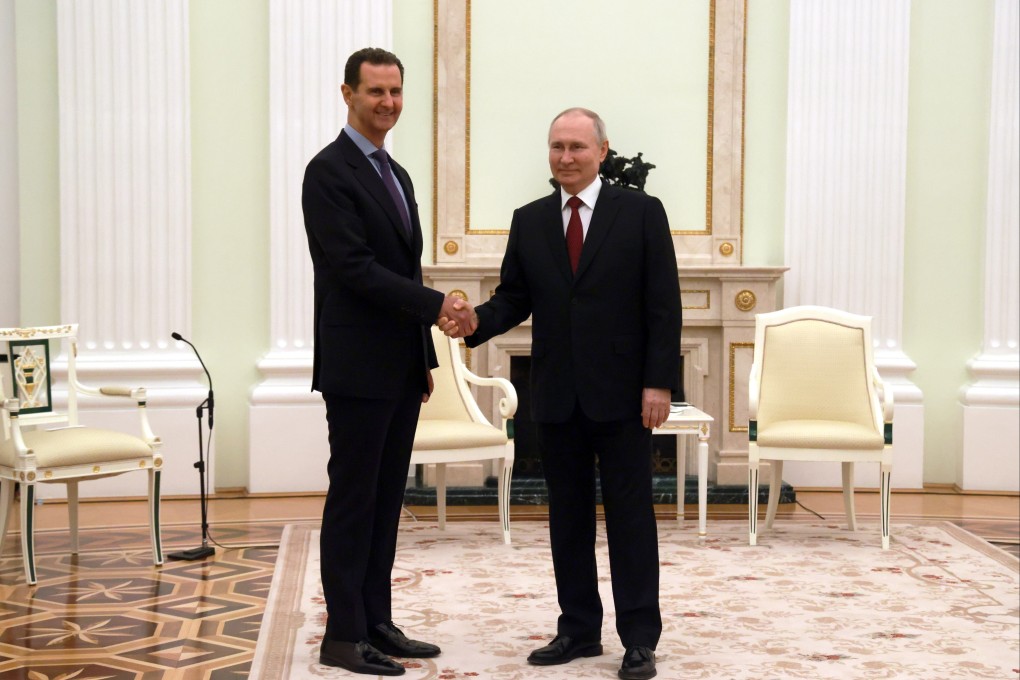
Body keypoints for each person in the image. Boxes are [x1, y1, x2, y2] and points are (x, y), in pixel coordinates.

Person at [444, 108, 681, 680]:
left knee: (630, 519)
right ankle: (577, 629)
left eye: (577, 146)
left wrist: (658, 382)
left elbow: (663, 303)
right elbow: (514, 298)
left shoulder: (641, 213)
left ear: (602, 151)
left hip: (623, 396)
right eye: (557, 147)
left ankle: (639, 639)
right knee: (566, 519)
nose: (566, 157)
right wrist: (475, 321)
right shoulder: (529, 220)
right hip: (555, 395)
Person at [302, 47, 476, 676]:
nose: (388, 102)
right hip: (355, 367)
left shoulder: (395, 173)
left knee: (384, 501)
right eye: (375, 91)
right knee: (354, 501)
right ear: (347, 94)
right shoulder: (328, 172)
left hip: (398, 367)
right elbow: (355, 269)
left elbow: (404, 268)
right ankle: (343, 635)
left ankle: (376, 621)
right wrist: (438, 307)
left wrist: (420, 357)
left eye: (396, 91)